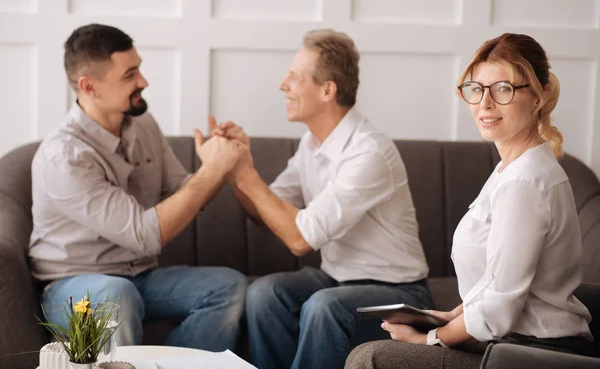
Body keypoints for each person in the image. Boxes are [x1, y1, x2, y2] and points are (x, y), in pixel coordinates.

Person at [345, 33, 595, 369]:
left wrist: (431, 339)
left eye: (503, 89)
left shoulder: (524, 181)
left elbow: (500, 308)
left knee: (370, 359)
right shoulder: (512, 170)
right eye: (476, 89)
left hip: (534, 354)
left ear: (539, 96)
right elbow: (501, 281)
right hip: (512, 340)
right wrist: (451, 316)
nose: (484, 103)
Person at [210, 29, 432, 369]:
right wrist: (239, 163)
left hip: (399, 293)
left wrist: (243, 173)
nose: (283, 85)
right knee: (265, 294)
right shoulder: (311, 145)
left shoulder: (368, 153)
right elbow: (262, 211)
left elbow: (300, 240)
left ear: (327, 90)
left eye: (295, 78)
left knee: (325, 306)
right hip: (337, 277)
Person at [28, 23, 247, 352]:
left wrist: (219, 164)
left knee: (230, 286)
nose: (143, 82)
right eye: (130, 75)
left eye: (139, 69)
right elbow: (144, 235)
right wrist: (211, 172)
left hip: (139, 276)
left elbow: (181, 191)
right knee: (116, 295)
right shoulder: (65, 158)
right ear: (89, 86)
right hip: (72, 286)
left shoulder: (143, 124)